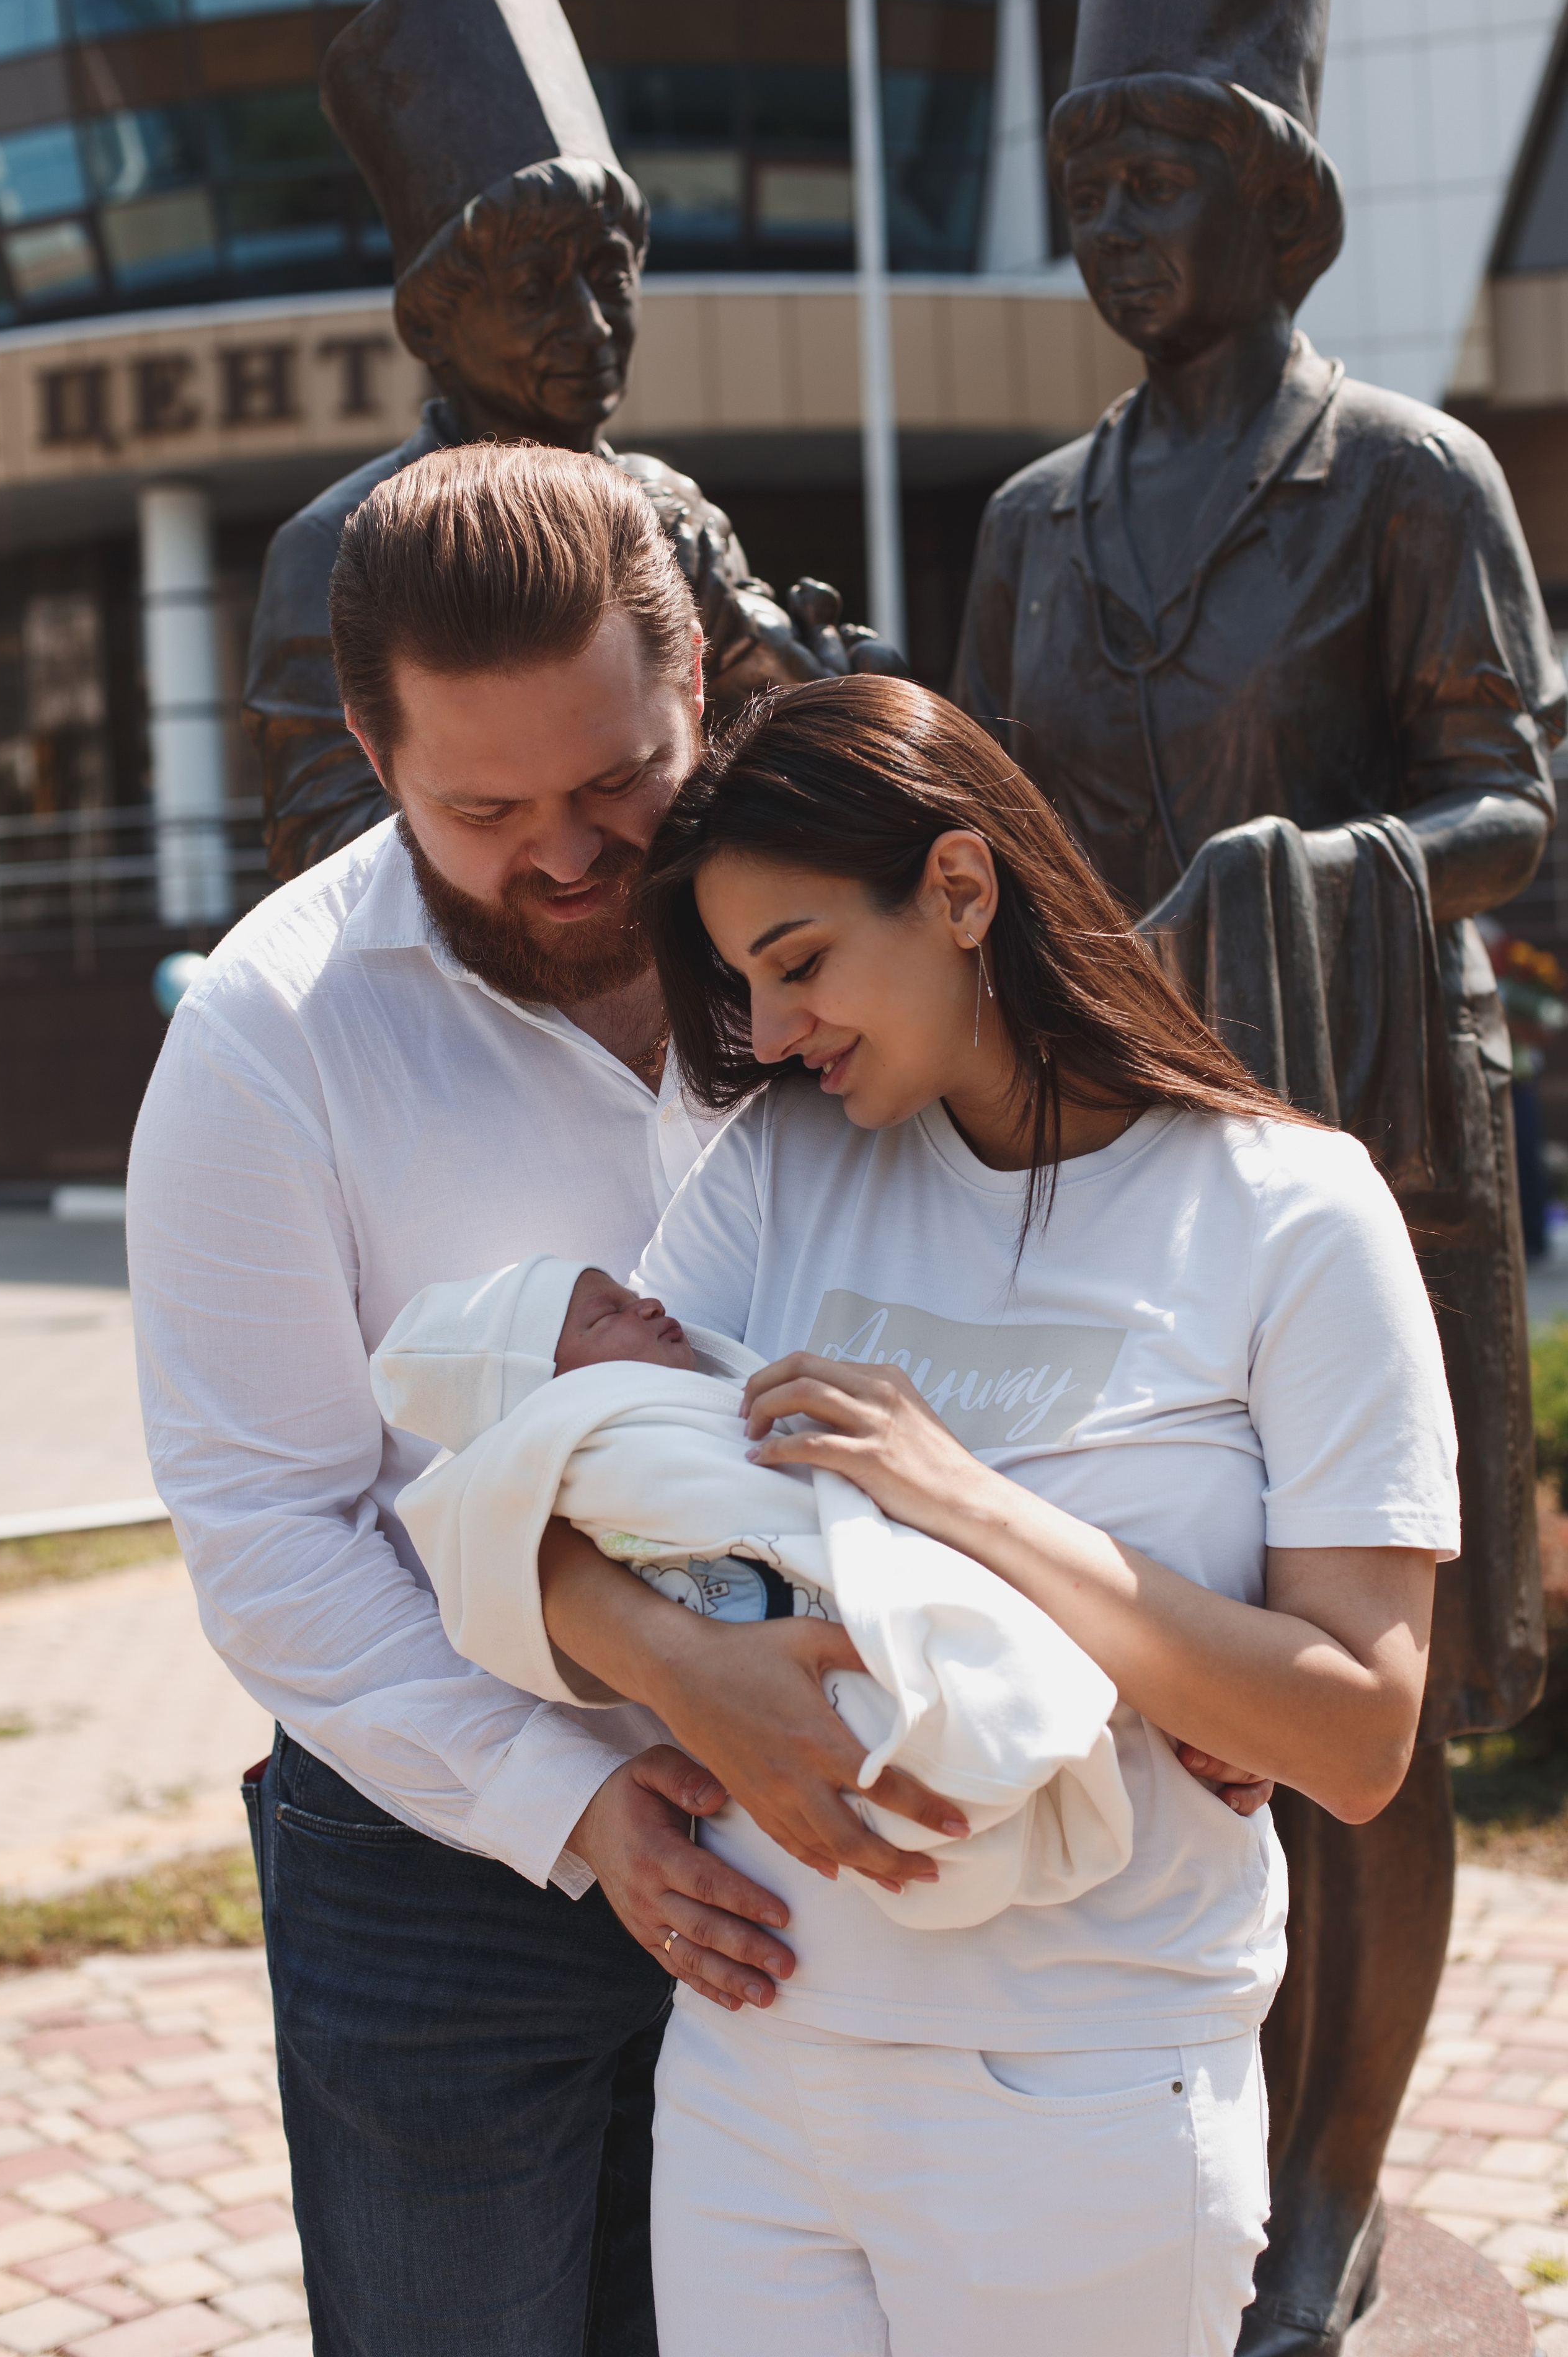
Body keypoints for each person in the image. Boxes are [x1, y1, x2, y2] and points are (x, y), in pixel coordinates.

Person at [126, 445, 955, 2357]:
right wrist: (582, 1800)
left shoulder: (865, 932)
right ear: (369, 740)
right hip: (435, 1865)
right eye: (483, 807)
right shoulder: (270, 1037)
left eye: (616, 783)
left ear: (697, 683)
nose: (570, 854)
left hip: (848, 1823)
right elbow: (266, 1530)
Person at [524, 675, 1460, 2357]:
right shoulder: (780, 1173)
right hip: (757, 2075)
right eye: (746, 984)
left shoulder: (1289, 1215)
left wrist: (970, 1504)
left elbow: (1360, 1735)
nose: (779, 1027)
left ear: (961, 889)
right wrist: (682, 1671)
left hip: (1080, 2091)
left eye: (801, 960)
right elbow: (545, 1520)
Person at [950, 0, 1565, 2336]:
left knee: (1347, 1701)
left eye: (1158, 180)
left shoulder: (1408, 479)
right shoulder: (1029, 520)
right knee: (1148, 1654)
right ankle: (1188, 2138)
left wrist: (1302, 867)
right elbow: (985, 836)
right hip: (1110, 1165)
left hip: (1363, 1155)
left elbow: (1508, 805)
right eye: (1085, 187)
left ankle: (1327, 2195)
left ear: (1277, 204)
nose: (1111, 228)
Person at [246, 0, 895, 883]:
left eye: (610, 274)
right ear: (431, 324)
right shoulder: (333, 549)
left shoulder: (672, 514)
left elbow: (759, 777)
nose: (592, 326)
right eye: (533, 289)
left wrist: (828, 713)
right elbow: (321, 855)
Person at [368, 1254, 1133, 1931]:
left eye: (631, 1294)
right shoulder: (598, 1440)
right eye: (607, 1315)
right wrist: (678, 1659)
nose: (648, 1305)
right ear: (545, 1393)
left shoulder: (687, 1404)